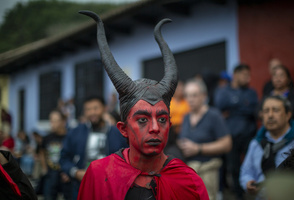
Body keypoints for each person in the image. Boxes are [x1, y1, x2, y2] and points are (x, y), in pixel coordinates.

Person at [77, 11, 209, 199]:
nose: (155, 128)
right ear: (123, 129)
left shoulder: (189, 182)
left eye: (162, 119)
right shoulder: (99, 175)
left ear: (169, 126)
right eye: (142, 120)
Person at [60, 95, 128, 200]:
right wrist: (75, 172)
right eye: (88, 109)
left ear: (104, 108)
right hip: (81, 186)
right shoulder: (75, 132)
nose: (92, 113)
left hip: (112, 188)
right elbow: (64, 158)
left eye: (96, 108)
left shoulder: (117, 133)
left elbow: (128, 159)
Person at [177, 78, 232, 200]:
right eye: (187, 96)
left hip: (209, 170)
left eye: (194, 95)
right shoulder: (186, 117)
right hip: (190, 171)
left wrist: (199, 148)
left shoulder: (214, 115)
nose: (190, 99)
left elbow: (227, 144)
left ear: (204, 95)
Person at [214, 64, 258, 200]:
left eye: (249, 75)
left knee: (256, 164)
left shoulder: (251, 92)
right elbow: (218, 107)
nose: (248, 78)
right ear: (236, 74)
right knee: (234, 169)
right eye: (245, 75)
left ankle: (258, 191)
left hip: (250, 136)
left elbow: (254, 110)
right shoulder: (223, 91)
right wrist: (243, 106)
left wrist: (234, 108)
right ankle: (240, 196)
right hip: (231, 137)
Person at [239, 95, 294, 199]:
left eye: (275, 110)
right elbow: (246, 172)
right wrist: (248, 183)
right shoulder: (256, 143)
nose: (270, 115)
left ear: (288, 115)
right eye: (266, 111)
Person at [40, 109, 71, 200]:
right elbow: (42, 152)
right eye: (51, 120)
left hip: (66, 175)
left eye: (55, 121)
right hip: (51, 174)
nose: (52, 123)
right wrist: (44, 168)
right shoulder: (47, 138)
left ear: (63, 122)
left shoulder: (70, 137)